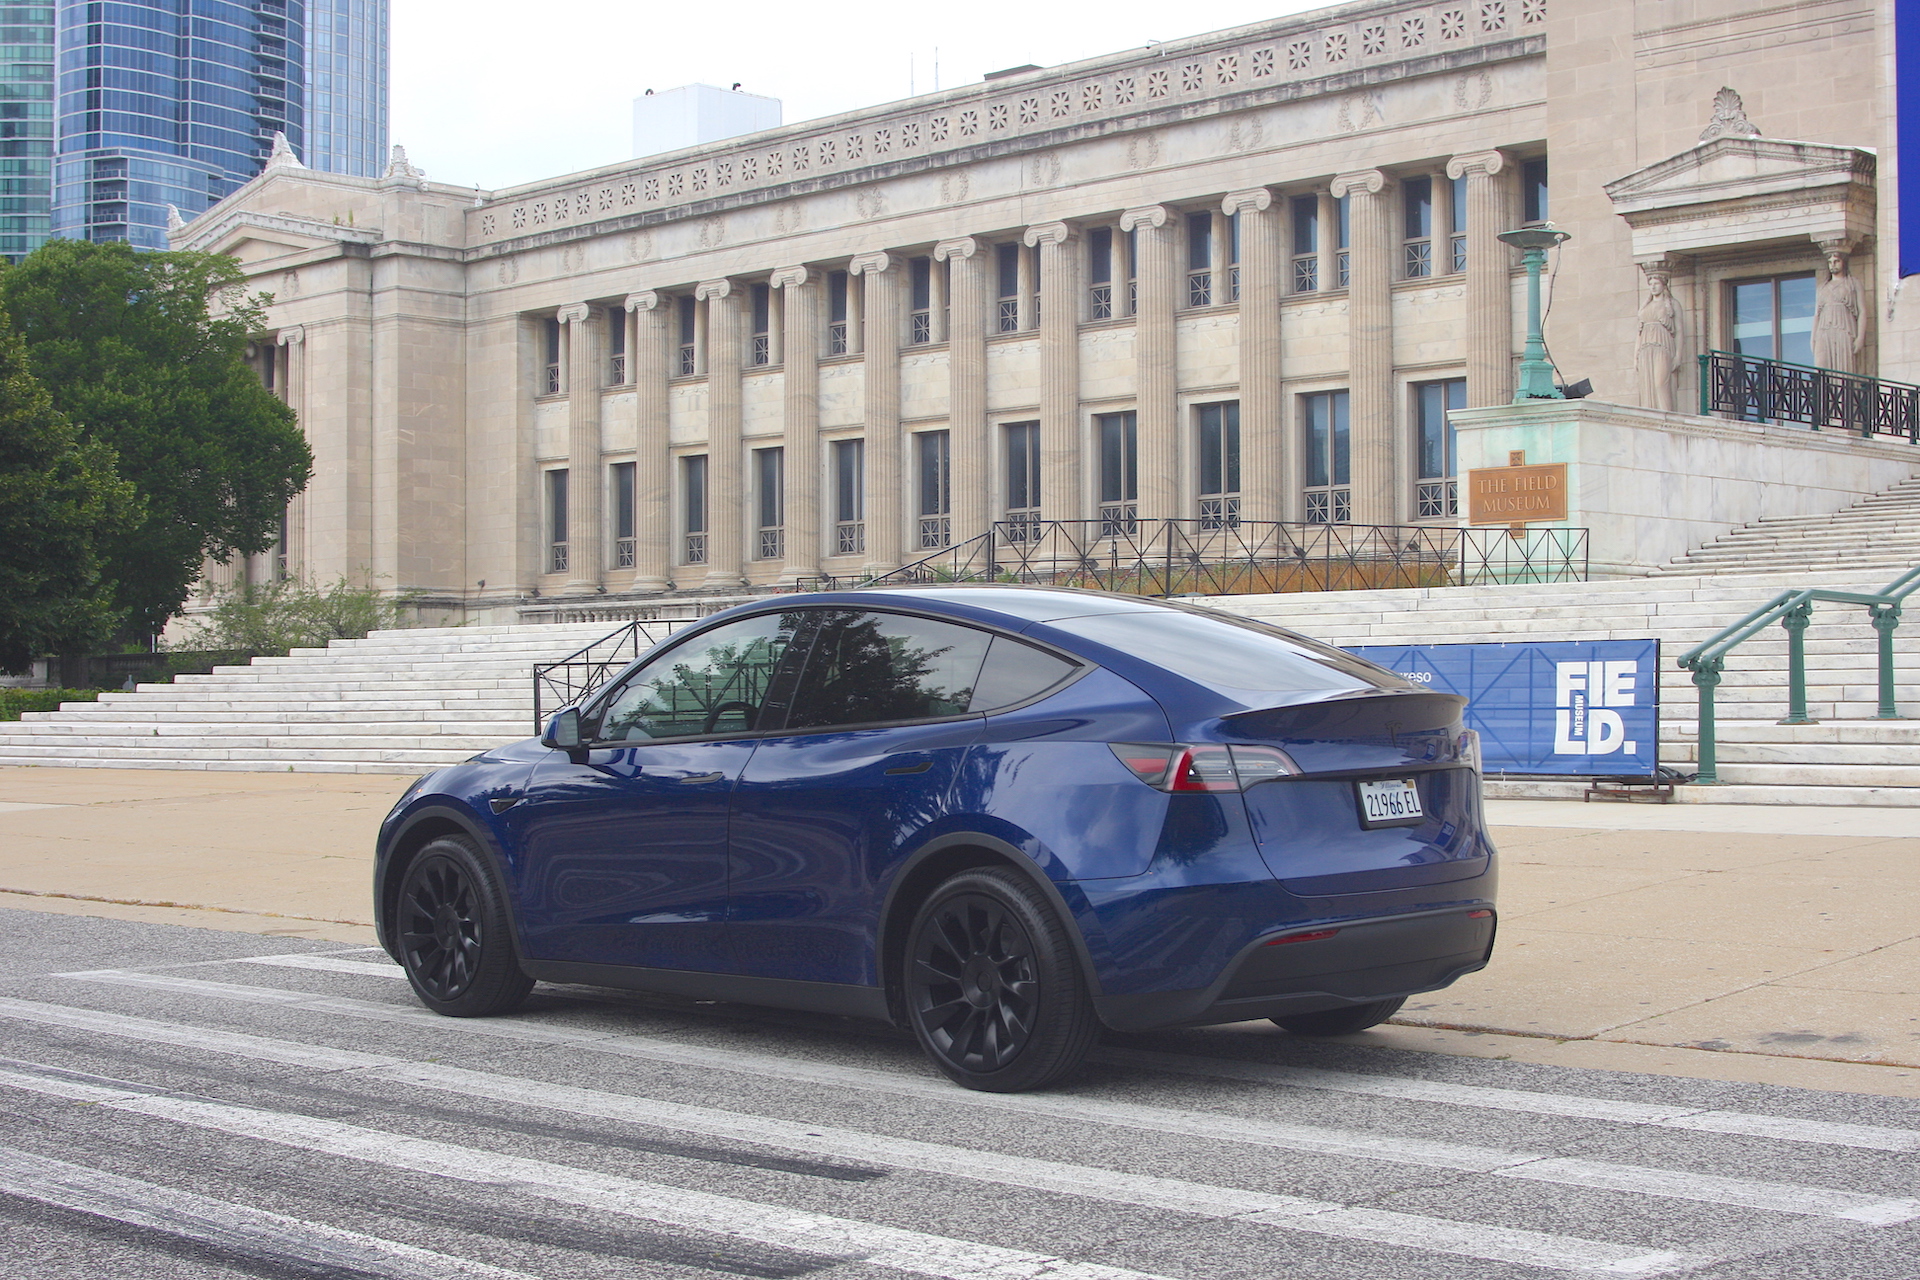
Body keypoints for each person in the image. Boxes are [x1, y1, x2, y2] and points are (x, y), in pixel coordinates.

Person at [1636, 270, 1684, 411]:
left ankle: (1666, 416)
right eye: (1650, 284)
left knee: (1660, 383)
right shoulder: (1645, 307)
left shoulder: (1672, 304)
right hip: (1645, 348)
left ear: (1663, 285)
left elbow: (1679, 331)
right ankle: (1650, 418)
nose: (1653, 287)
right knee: (1647, 385)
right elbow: (1639, 334)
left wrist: (1678, 356)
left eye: (1656, 283)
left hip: (1662, 346)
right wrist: (1635, 357)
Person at [1812, 249, 1864, 374]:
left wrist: (1860, 337)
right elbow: (1816, 314)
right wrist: (1813, 338)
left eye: (1836, 261)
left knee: (1843, 368)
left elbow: (1862, 311)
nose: (1833, 264)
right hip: (1824, 331)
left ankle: (1843, 393)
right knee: (1821, 367)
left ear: (1843, 263)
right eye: (1830, 262)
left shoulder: (1853, 283)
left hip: (1844, 329)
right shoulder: (1822, 287)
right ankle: (1824, 393)